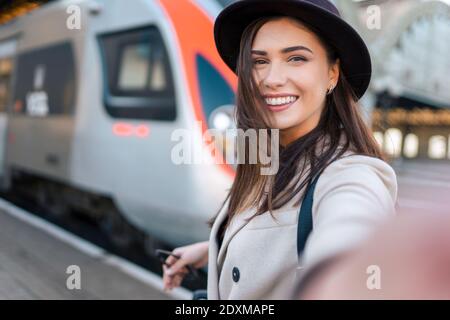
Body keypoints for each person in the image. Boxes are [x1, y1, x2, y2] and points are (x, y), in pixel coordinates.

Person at [162, 0, 398, 299]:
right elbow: (274, 238)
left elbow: (350, 242)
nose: (272, 80)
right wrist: (213, 248)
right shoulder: (265, 157)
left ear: (332, 74)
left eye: (297, 58)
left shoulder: (351, 176)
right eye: (259, 61)